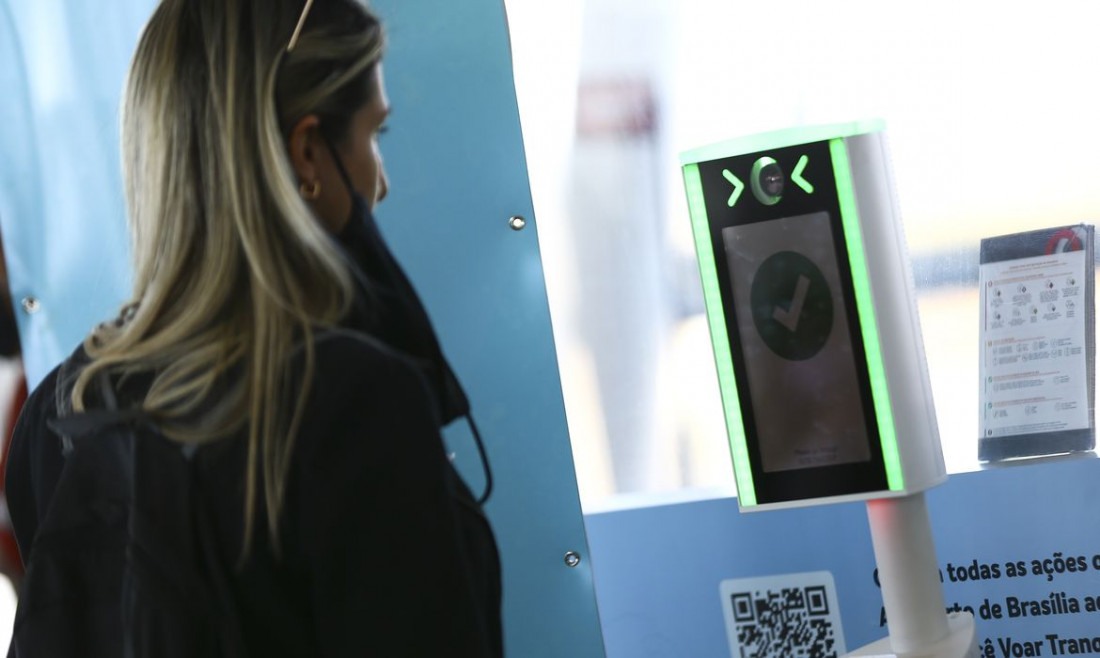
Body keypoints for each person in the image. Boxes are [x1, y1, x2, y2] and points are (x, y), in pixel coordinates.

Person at [4, 0, 502, 655]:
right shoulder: (356, 404)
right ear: (306, 153)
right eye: (374, 136)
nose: (380, 181)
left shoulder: (55, 414)